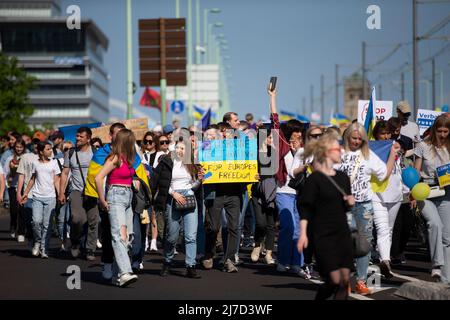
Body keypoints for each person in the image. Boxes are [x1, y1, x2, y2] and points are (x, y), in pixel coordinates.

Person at [338, 122, 400, 295]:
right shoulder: (338, 153)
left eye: (360, 139)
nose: (356, 141)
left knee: (364, 244)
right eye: (353, 138)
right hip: (343, 206)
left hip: (364, 204)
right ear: (347, 137)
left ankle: (361, 281)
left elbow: (384, 173)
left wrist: (392, 155)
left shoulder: (369, 155)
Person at [297, 132, 354, 300]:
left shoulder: (343, 178)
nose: (341, 151)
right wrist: (302, 234)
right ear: (327, 152)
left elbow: (345, 208)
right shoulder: (314, 179)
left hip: (342, 233)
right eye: (338, 148)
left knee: (345, 281)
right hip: (323, 235)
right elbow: (305, 208)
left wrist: (350, 203)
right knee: (334, 281)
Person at [268, 83, 309, 278]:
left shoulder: (303, 150)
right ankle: (282, 261)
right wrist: (272, 97)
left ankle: (296, 264)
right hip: (284, 192)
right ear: (290, 132)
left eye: (301, 133)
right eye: (297, 132)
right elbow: (275, 122)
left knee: (298, 230)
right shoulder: (282, 146)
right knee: (288, 227)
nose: (300, 135)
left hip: (299, 195)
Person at [95, 129, 139, 287]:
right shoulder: (115, 157)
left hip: (127, 196)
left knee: (128, 238)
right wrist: (102, 199)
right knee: (118, 236)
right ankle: (126, 272)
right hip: (116, 196)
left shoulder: (128, 159)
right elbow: (98, 177)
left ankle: (118, 274)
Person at [157, 139, 203, 278]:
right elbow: (162, 183)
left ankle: (190, 265)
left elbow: (193, 186)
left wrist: (199, 180)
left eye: (182, 148)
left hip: (189, 198)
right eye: (177, 147)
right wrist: (174, 193)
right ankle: (167, 261)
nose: (179, 150)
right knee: (172, 236)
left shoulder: (192, 164)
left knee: (190, 236)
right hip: (173, 198)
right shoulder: (168, 162)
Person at [414, 115, 450, 283]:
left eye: (446, 131)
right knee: (434, 223)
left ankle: (446, 280)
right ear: (434, 130)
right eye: (439, 130)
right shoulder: (423, 146)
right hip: (425, 190)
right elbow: (415, 171)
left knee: (447, 238)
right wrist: (412, 192)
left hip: (446, 192)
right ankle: (436, 264)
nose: (442, 134)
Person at [371, 120, 409, 279]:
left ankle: (382, 256)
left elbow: (400, 167)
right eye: (382, 133)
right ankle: (385, 261)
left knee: (390, 229)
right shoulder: (370, 149)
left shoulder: (395, 146)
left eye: (388, 133)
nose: (386, 136)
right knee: (382, 229)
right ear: (376, 135)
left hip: (395, 193)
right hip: (376, 194)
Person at [59, 127, 96, 260]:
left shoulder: (96, 152)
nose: (78, 138)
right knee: (77, 218)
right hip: (76, 191)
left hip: (93, 191)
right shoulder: (70, 153)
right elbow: (65, 173)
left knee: (93, 221)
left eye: (81, 136)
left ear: (88, 139)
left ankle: (90, 249)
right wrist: (61, 192)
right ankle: (75, 242)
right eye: (77, 136)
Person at [21, 141, 61, 259]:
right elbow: (33, 179)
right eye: (48, 149)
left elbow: (57, 180)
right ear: (41, 151)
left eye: (51, 149)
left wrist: (60, 194)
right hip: (37, 197)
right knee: (36, 221)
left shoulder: (54, 163)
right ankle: (37, 241)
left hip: (50, 197)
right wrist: (26, 193)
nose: (51, 151)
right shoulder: (35, 163)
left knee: (47, 224)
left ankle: (44, 248)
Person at [250, 129, 277, 265]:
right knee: (261, 223)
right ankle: (257, 245)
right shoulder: (253, 153)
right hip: (256, 192)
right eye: (270, 137)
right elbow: (247, 170)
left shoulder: (274, 153)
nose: (272, 140)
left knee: (271, 224)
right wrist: (252, 175)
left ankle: (269, 253)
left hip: (271, 191)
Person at [4, 138, 28, 241]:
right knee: (14, 210)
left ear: (24, 147)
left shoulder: (27, 158)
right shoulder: (10, 158)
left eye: (21, 147)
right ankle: (13, 225)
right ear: (14, 148)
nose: (19, 149)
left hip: (24, 187)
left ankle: (21, 232)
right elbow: (4, 173)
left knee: (22, 209)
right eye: (17, 147)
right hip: (12, 187)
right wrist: (8, 181)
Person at [141, 131, 159, 252]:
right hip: (144, 190)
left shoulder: (160, 155)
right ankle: (146, 240)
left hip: (156, 188)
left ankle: (154, 241)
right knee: (145, 216)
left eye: (150, 141)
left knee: (154, 216)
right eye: (146, 141)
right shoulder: (141, 155)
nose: (148, 143)